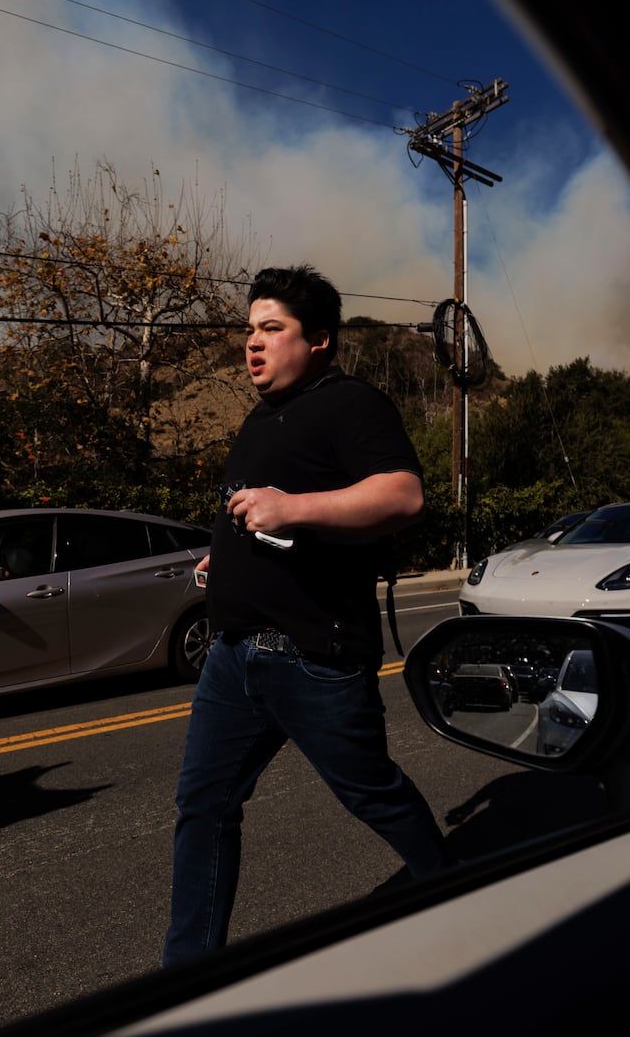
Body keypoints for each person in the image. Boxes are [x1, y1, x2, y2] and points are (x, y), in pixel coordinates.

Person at [162, 264, 453, 966]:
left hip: (312, 656)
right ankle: (188, 976)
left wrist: (290, 506)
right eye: (249, 330)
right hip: (233, 658)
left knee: (375, 795)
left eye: (272, 329)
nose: (252, 344)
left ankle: (458, 891)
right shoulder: (261, 418)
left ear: (318, 340)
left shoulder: (349, 403)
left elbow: (404, 495)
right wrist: (221, 556)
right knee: (203, 808)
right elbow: (258, 514)